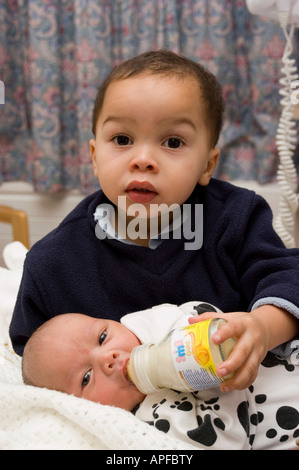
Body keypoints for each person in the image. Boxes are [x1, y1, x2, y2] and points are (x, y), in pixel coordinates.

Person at [10, 49, 299, 395]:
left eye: (172, 142)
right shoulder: (52, 265)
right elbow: (35, 366)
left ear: (208, 165)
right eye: (122, 140)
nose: (143, 160)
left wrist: (263, 327)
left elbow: (286, 279)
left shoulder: (235, 218)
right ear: (94, 156)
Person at [21, 302, 299, 450]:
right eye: (86, 378)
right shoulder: (151, 425)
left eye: (103, 337)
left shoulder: (150, 326)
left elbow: (202, 312)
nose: (108, 358)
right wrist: (193, 378)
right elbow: (229, 439)